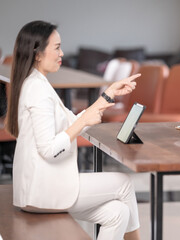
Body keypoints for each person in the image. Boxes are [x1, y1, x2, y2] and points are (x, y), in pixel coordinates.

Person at [6, 21, 141, 240]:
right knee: (124, 183)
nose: (62, 53)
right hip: (43, 191)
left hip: (42, 187)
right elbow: (48, 148)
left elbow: (74, 121)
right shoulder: (37, 90)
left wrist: (108, 94)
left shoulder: (37, 83)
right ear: (38, 54)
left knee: (118, 212)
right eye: (57, 47)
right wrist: (82, 121)